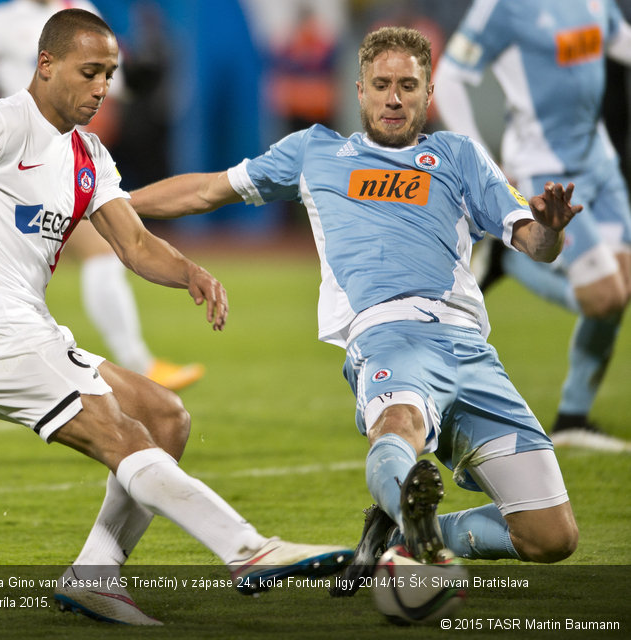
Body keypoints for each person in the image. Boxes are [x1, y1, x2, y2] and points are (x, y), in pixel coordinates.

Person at [0, 9, 352, 626]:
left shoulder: (89, 155)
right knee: (126, 437)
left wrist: (190, 272)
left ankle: (95, 577)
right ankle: (249, 550)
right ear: (46, 65)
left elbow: (136, 245)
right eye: (89, 72)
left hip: (32, 332)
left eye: (108, 75)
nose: (100, 88)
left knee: (166, 417)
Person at [129, 26, 581, 591]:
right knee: (398, 426)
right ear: (361, 89)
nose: (395, 97)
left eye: (408, 86)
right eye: (383, 85)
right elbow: (207, 191)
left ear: (428, 91)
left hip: (471, 350)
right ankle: (426, 551)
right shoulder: (314, 151)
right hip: (389, 335)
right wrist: (113, 204)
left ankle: (395, 536)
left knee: (551, 535)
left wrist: (553, 231)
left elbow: (533, 242)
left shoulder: (459, 156)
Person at [0, 0, 205, 391]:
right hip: (14, 155)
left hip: (63, 149)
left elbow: (104, 80)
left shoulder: (80, 11)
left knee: (6, 251)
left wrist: (134, 81)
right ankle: (141, 364)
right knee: (102, 250)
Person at [433, 0, 631, 449]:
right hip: (545, 171)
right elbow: (449, 77)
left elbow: (618, 38)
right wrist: (482, 164)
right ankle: (512, 257)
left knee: (622, 289)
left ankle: (572, 417)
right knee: (604, 296)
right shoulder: (501, 7)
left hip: (600, 164)